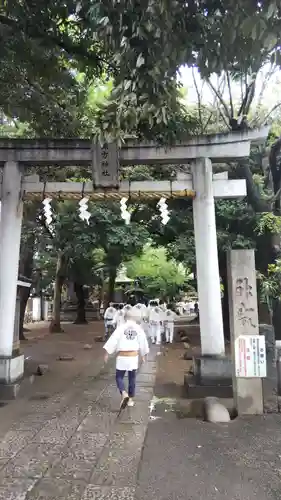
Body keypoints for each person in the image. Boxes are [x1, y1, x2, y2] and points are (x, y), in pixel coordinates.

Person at [103, 307, 149, 409]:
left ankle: (124, 393)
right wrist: (144, 355)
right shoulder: (139, 328)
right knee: (132, 378)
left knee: (119, 377)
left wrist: (107, 353)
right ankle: (131, 400)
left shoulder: (121, 328)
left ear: (125, 317)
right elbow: (143, 343)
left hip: (122, 356)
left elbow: (113, 340)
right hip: (133, 356)